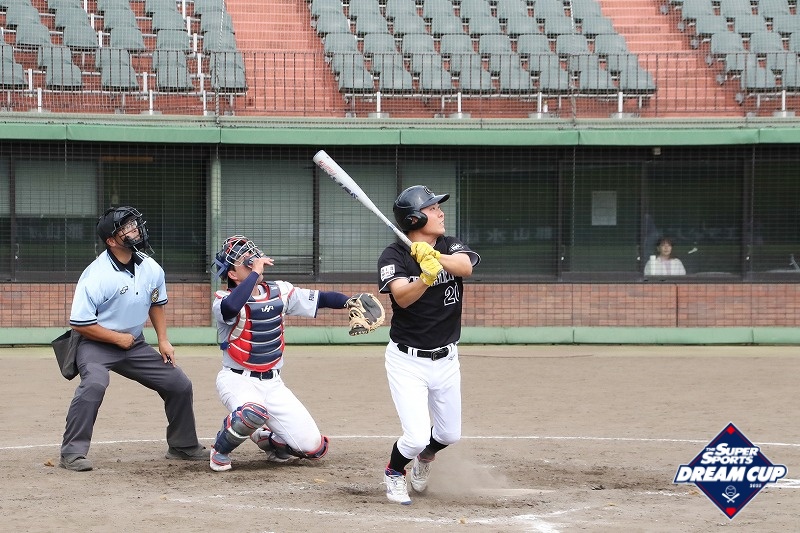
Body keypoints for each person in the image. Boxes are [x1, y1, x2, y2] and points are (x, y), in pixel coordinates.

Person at [60, 206, 206, 472]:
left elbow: (156, 302)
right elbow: (80, 323)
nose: (135, 229)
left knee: (179, 383)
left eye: (134, 224)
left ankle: (183, 445)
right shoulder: (96, 275)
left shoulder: (150, 267)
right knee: (94, 384)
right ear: (111, 240)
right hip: (95, 343)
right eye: (126, 227)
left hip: (134, 343)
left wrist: (163, 340)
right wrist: (117, 339)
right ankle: (72, 453)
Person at [208, 235, 357, 472]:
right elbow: (233, 307)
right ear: (233, 274)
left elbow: (321, 298)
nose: (253, 261)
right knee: (251, 412)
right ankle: (220, 450)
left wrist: (351, 302)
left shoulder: (280, 291)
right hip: (237, 380)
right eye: (245, 261)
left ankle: (266, 438)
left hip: (273, 383)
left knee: (314, 448)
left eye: (252, 256)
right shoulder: (222, 300)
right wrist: (255, 272)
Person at [377, 185, 480, 505]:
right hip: (407, 361)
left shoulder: (449, 244)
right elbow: (402, 298)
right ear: (415, 218)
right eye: (433, 208)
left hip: (447, 358)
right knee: (416, 436)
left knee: (448, 434)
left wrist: (434, 256)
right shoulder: (394, 255)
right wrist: (424, 277)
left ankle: (426, 457)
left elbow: (465, 267)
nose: (440, 213)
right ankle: (394, 472)